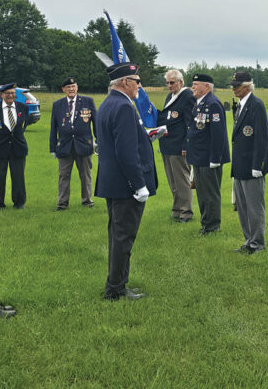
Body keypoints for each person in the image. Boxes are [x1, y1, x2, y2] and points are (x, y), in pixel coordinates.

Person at [94, 63, 157, 301]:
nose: (140, 86)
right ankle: (116, 289)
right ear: (125, 82)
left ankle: (117, 284)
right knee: (123, 238)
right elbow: (126, 151)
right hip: (125, 186)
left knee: (118, 235)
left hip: (113, 182)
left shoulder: (109, 103)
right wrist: (138, 184)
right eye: (137, 81)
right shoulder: (123, 107)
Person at [228, 72, 268, 254]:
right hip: (240, 164)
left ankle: (257, 243)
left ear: (247, 86)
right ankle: (248, 241)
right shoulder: (241, 105)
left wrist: (258, 165)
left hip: (252, 165)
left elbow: (262, 137)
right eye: (233, 85)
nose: (233, 88)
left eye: (237, 86)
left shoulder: (256, 105)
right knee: (242, 206)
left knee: (254, 207)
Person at [183, 74, 230, 235]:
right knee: (202, 193)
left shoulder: (213, 104)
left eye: (196, 84)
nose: (193, 87)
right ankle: (206, 224)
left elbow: (218, 134)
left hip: (209, 158)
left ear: (207, 86)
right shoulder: (200, 104)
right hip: (198, 157)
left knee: (210, 194)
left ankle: (212, 227)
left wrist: (215, 158)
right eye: (193, 84)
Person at [49, 77, 97, 211]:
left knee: (86, 175)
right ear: (64, 89)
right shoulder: (57, 104)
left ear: (77, 88)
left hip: (84, 145)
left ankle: (87, 201)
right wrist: (53, 147)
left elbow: (96, 123)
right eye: (68, 87)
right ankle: (62, 203)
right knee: (64, 176)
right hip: (64, 146)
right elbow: (54, 127)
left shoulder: (88, 101)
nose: (71, 89)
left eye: (73, 86)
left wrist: (99, 141)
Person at [157, 69, 196, 223]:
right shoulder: (170, 96)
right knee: (173, 181)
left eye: (172, 82)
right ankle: (177, 208)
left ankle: (186, 212)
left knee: (182, 181)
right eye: (167, 83)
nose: (169, 85)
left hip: (179, 145)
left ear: (181, 82)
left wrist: (186, 145)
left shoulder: (187, 96)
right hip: (167, 144)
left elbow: (190, 124)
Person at [0, 83, 29, 210]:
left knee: (18, 177)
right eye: (7, 93)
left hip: (18, 148)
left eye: (13, 93)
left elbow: (23, 126)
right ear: (2, 94)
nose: (10, 95)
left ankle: (19, 203)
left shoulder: (23, 108)